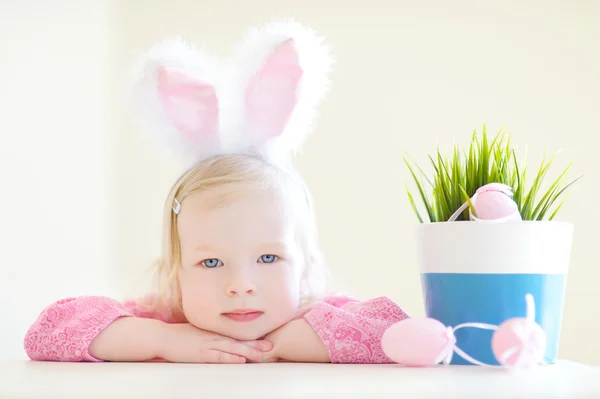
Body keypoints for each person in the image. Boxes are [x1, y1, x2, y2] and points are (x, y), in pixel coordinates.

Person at [23, 19, 409, 364]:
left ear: (306, 268)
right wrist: (163, 339)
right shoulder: (166, 318)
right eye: (211, 263)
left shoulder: (313, 315)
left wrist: (293, 341)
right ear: (174, 278)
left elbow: (397, 331)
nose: (241, 284)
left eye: (269, 257)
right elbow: (47, 332)